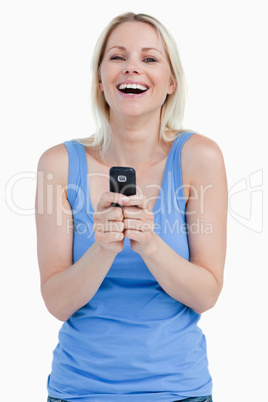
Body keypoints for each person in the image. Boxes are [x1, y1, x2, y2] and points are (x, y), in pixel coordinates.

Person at [35, 12, 227, 402]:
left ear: (171, 82)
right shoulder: (57, 165)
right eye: (118, 57)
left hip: (178, 390)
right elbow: (56, 302)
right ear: (100, 80)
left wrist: (151, 245)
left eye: (150, 58)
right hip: (79, 391)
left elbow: (206, 294)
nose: (132, 68)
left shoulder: (200, 158)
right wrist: (103, 248)